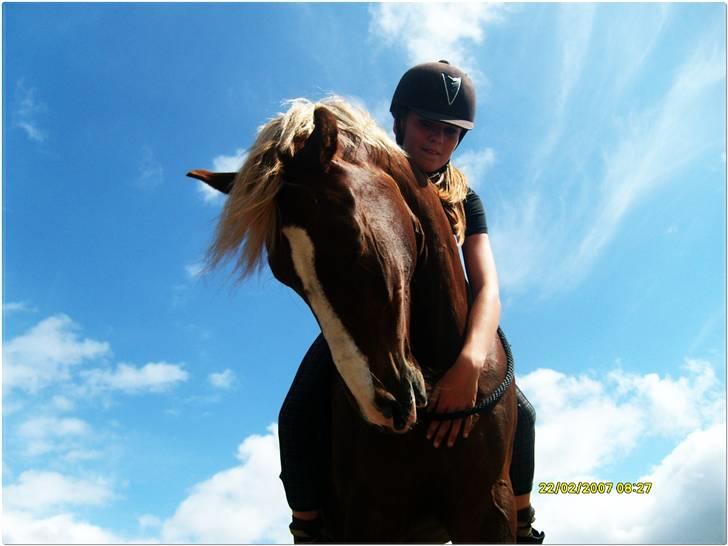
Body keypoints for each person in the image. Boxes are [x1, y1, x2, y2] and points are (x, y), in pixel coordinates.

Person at [279, 60, 544, 544]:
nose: (437, 140)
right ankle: (308, 527)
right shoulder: (367, 179)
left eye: (451, 131)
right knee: (297, 410)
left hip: (460, 328)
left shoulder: (468, 201)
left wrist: (467, 365)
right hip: (375, 320)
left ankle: (522, 521)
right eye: (427, 124)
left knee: (522, 415)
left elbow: (486, 285)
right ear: (400, 120)